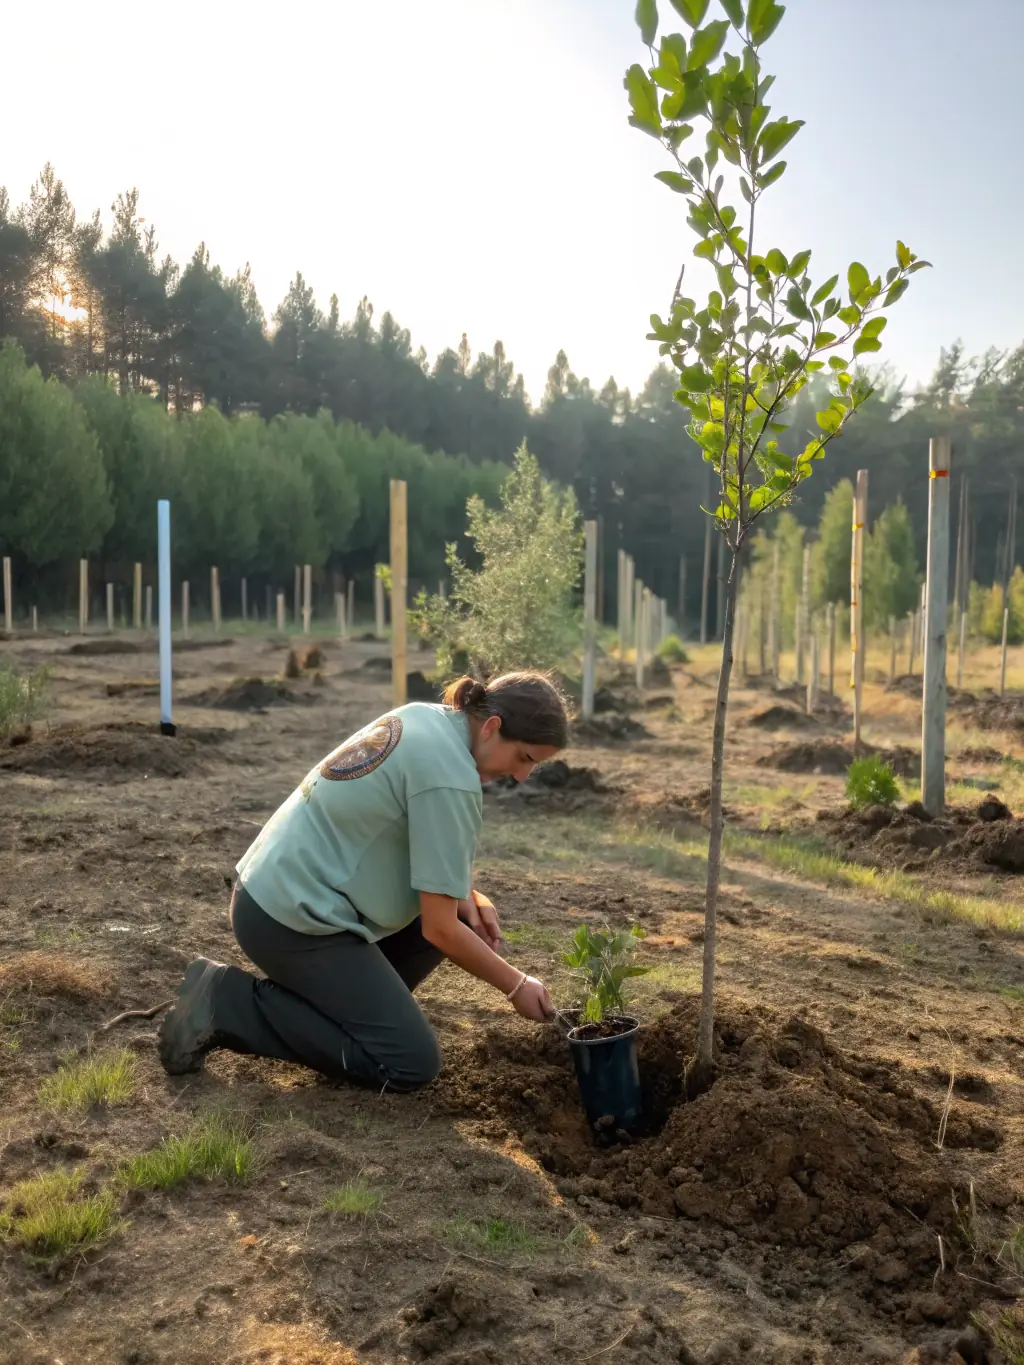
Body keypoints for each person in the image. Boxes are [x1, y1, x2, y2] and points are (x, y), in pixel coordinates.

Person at [158, 671, 569, 1091]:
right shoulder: (451, 775)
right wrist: (515, 984)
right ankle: (224, 1004)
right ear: (493, 727)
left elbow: (418, 837)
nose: (522, 777)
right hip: (291, 922)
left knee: (458, 916)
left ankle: (334, 1010)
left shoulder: (427, 719)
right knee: (408, 1060)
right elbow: (439, 929)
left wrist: (465, 893)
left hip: (271, 892)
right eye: (525, 759)